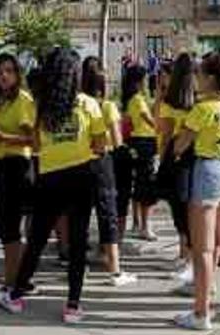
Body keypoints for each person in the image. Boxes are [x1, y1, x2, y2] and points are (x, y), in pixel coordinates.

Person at [0, 47, 104, 324]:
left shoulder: (41, 107)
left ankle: (17, 296)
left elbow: (37, 144)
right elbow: (100, 145)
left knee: (37, 240)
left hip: (50, 177)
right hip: (82, 175)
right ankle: (73, 306)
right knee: (78, 242)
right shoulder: (89, 104)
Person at [172, 53, 220, 330]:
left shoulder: (202, 109)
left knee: (204, 249)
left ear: (211, 78)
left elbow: (180, 145)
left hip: (208, 172)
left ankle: (201, 314)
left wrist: (177, 145)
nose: (196, 79)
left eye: (201, 74)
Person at [80, 56, 137, 287]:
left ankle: (81, 262)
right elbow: (116, 139)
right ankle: (114, 268)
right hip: (103, 162)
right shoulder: (107, 106)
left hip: (80, 162)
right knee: (108, 214)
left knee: (81, 214)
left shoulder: (79, 103)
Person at [0, 54, 37, 295]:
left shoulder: (22, 100)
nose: (4, 76)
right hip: (0, 167)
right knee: (5, 227)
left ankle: (15, 280)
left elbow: (34, 141)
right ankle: (13, 277)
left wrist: (3, 138)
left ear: (17, 74)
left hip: (19, 167)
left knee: (13, 227)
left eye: (9, 71)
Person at [156, 53, 196, 289]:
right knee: (190, 210)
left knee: (180, 212)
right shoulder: (199, 101)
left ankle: (188, 260)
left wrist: (161, 161)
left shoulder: (170, 103)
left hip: (176, 159)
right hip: (196, 158)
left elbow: (164, 134)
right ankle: (188, 259)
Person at [122, 65, 159, 241]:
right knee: (146, 186)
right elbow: (150, 120)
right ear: (139, 81)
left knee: (138, 186)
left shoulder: (133, 99)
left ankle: (137, 223)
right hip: (145, 143)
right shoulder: (137, 99)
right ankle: (145, 226)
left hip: (138, 143)